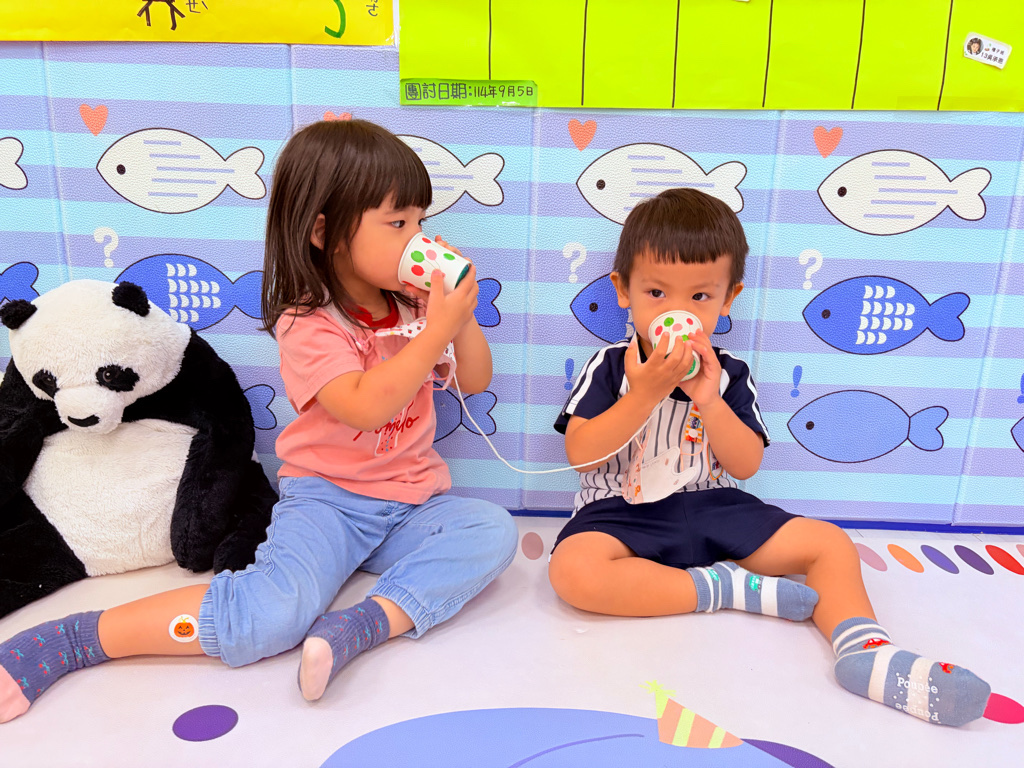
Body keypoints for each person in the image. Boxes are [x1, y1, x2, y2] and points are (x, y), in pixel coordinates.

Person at [0, 119, 518, 722]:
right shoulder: (308, 321)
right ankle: (75, 639)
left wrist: (458, 316)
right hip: (330, 502)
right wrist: (435, 330)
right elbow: (364, 405)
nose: (417, 238)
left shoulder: (410, 308)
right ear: (324, 232)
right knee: (271, 618)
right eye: (398, 223)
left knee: (490, 530)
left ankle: (364, 624)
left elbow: (474, 379)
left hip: (413, 501)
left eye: (420, 222)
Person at [547, 188, 991, 727]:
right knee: (572, 572)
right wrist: (643, 393)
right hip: (622, 511)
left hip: (713, 505)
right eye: (657, 292)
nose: (677, 312)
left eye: (700, 297)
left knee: (828, 543)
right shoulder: (611, 366)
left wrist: (709, 399)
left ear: (728, 298)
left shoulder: (730, 372)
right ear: (623, 290)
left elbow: (745, 465)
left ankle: (864, 648)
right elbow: (582, 456)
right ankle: (725, 587)